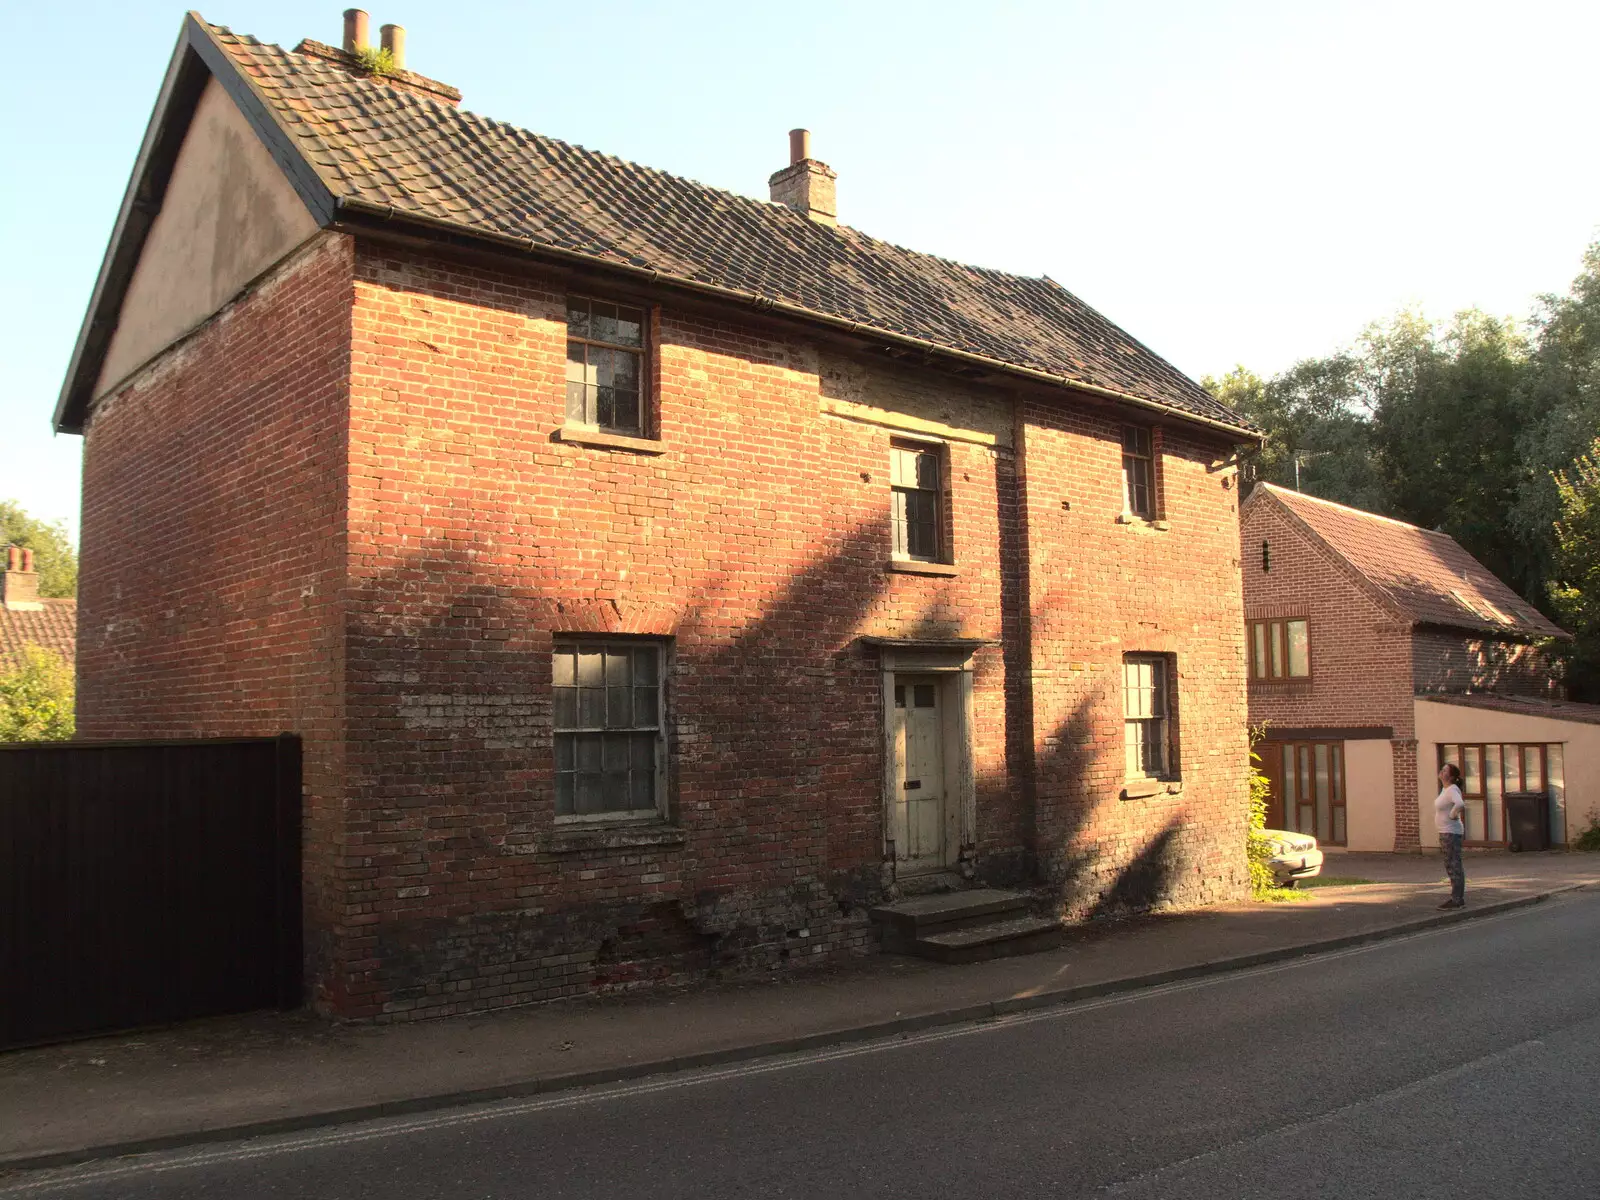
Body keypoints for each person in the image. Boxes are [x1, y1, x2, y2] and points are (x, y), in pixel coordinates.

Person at [1436, 763, 1467, 909]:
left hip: (1451, 832)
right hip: (1445, 831)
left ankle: (1457, 899)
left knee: (1454, 864)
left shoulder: (1452, 789)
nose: (1441, 772)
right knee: (1450, 864)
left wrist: (1453, 814)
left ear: (1452, 776)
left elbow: (1460, 803)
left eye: (1445, 771)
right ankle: (1456, 897)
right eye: (1442, 769)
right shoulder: (1445, 790)